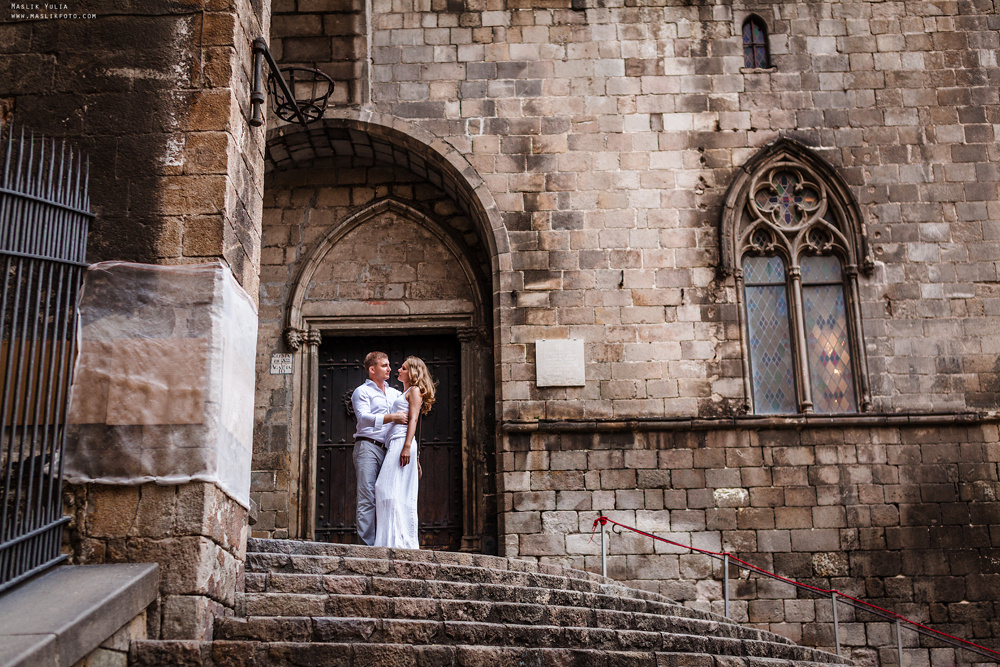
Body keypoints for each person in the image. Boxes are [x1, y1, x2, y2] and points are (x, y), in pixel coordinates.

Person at [374, 356, 436, 549]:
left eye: (403, 368)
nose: (398, 370)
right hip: (396, 443)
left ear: (413, 372)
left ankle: (400, 541)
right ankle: (391, 540)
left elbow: (414, 420)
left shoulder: (415, 391)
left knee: (388, 488)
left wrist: (408, 447)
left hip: (402, 442)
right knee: (389, 489)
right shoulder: (405, 392)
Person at [351, 351, 408, 546]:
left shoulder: (395, 393)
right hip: (367, 446)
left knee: (388, 496)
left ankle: (386, 542)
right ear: (372, 369)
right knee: (367, 496)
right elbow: (363, 418)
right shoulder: (362, 392)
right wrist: (392, 417)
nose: (390, 369)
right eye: (384, 365)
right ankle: (367, 547)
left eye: (389, 365)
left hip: (391, 449)